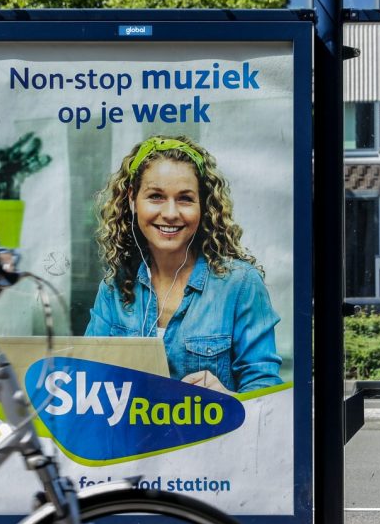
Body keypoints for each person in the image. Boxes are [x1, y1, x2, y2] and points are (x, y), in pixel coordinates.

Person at [85, 135, 281, 394]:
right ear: (132, 199)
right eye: (156, 196)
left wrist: (227, 399)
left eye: (185, 198)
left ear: (203, 205)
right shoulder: (114, 287)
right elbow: (85, 379)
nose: (170, 213)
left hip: (213, 423)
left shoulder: (241, 284)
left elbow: (266, 395)